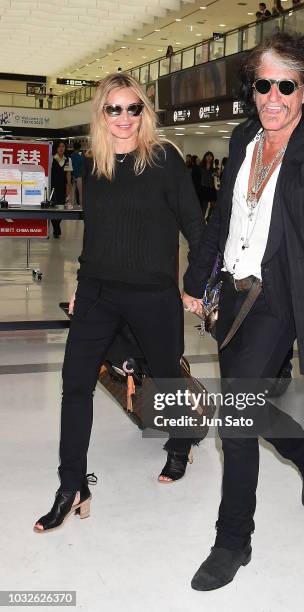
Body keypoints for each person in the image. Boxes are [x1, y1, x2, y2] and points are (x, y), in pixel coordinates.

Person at [182, 31, 304, 591]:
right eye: (263, 84)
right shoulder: (244, 139)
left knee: (236, 419)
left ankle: (232, 540)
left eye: (286, 85)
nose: (273, 96)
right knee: (257, 406)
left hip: (280, 300)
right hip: (233, 298)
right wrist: (196, 277)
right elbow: (222, 221)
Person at [33, 72, 204, 533]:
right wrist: (79, 284)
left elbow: (195, 225)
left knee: (167, 375)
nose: (125, 118)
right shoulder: (95, 165)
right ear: (101, 114)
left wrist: (196, 283)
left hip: (153, 293)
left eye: (134, 108)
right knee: (74, 384)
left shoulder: (164, 159)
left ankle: (182, 439)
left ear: (144, 113)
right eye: (114, 109)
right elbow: (98, 232)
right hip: (97, 291)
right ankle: (72, 487)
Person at [50, 140, 73, 238]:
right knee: (52, 207)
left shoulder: (68, 159)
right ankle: (56, 228)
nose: (61, 148)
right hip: (52, 186)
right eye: (59, 146)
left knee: (61, 207)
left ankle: (57, 224)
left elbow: (68, 174)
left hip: (62, 186)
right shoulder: (51, 158)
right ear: (56, 148)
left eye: (63, 146)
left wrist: (69, 186)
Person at [200, 151, 216, 219]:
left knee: (213, 205)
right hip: (204, 187)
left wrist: (216, 174)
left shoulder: (214, 167)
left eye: (210, 156)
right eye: (208, 156)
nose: (209, 157)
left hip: (211, 188)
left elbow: (216, 176)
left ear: (212, 158)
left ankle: (208, 218)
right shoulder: (201, 166)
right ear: (205, 157)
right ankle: (202, 219)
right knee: (204, 205)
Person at [70, 141, 84, 206]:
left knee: (72, 193)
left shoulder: (70, 156)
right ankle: (81, 208)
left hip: (72, 176)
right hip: (80, 177)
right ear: (79, 148)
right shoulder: (81, 158)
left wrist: (73, 176)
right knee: (81, 193)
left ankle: (72, 206)